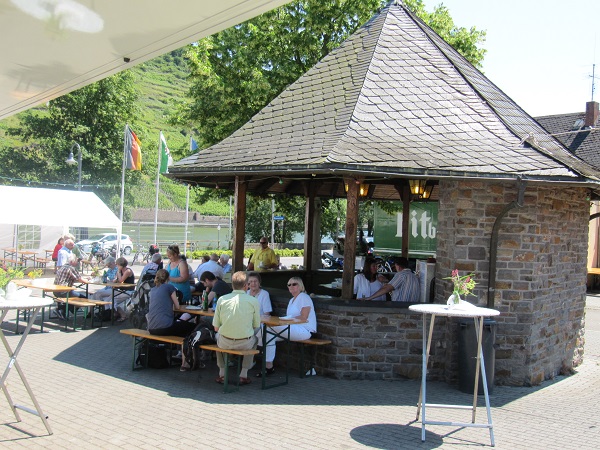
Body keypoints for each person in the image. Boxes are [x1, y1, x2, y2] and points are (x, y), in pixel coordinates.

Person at [258, 276, 317, 377]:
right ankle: (268, 367)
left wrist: (287, 320)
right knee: (268, 334)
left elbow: (304, 317)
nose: (291, 286)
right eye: (289, 285)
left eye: (294, 284)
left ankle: (257, 348)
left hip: (304, 330)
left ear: (300, 285)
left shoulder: (303, 297)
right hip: (293, 328)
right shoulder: (291, 300)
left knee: (266, 329)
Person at [212, 271, 260, 385]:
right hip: (245, 343)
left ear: (232, 285)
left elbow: (216, 328)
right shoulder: (253, 301)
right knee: (255, 339)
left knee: (218, 340)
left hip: (225, 342)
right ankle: (244, 374)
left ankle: (222, 373)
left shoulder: (222, 299)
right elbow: (256, 326)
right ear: (246, 285)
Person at [147, 269, 196, 371]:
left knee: (180, 327)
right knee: (191, 328)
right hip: (165, 326)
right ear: (168, 278)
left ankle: (181, 355)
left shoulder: (153, 290)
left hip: (151, 328)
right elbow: (177, 306)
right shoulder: (169, 287)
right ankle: (186, 362)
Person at [53, 253, 88, 320]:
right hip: (64, 291)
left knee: (73, 296)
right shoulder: (71, 268)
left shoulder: (62, 267)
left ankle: (63, 310)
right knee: (83, 298)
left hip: (56, 291)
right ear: (72, 261)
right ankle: (64, 310)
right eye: (76, 261)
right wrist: (88, 280)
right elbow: (80, 279)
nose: (77, 263)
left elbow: (73, 278)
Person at [113, 257, 135, 322]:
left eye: (117, 265)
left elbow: (121, 280)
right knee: (108, 299)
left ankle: (123, 315)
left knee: (113, 300)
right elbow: (116, 280)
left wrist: (118, 272)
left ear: (121, 265)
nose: (117, 266)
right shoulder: (120, 271)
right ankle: (115, 313)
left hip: (128, 290)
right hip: (121, 290)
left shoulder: (128, 271)